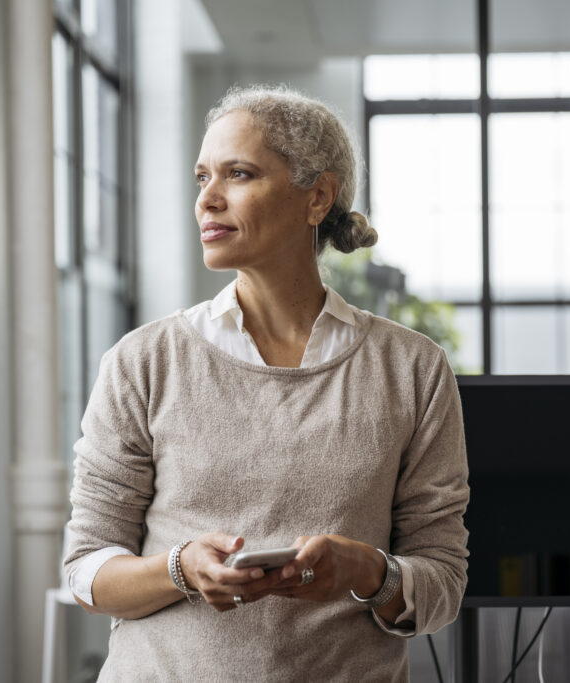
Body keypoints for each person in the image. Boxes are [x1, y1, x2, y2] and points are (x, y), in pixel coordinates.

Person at [65, 84, 469, 681]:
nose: (208, 199)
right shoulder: (142, 361)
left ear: (318, 197)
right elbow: (85, 570)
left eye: (239, 174)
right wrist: (180, 568)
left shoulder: (412, 369)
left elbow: (442, 580)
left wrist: (368, 573)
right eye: (202, 177)